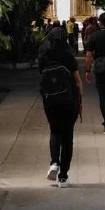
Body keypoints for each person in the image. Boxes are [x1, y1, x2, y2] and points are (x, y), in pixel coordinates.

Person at [37, 26, 82, 187]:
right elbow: (78, 82)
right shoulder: (68, 56)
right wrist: (80, 102)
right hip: (69, 101)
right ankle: (63, 177)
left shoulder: (44, 57)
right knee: (67, 138)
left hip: (50, 102)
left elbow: (42, 78)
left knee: (55, 131)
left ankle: (54, 162)